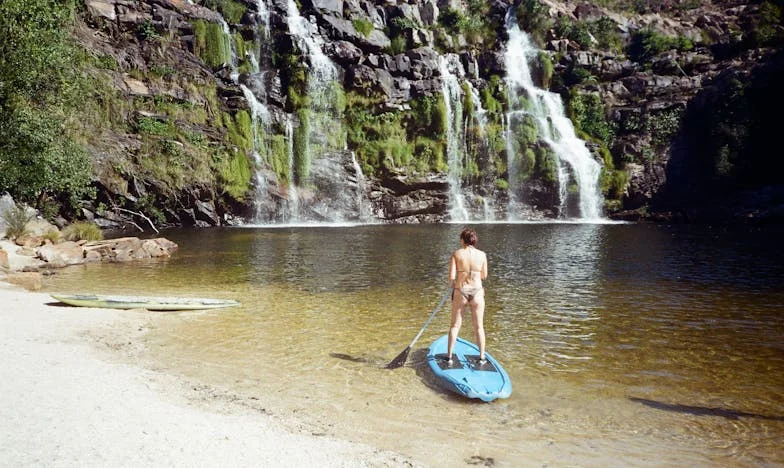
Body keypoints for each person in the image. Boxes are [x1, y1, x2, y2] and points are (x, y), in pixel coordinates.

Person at [446, 228, 488, 364]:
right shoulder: (482, 255)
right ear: (474, 241)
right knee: (479, 327)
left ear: (463, 240)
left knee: (454, 325)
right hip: (477, 291)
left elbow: (451, 277)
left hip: (461, 290)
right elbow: (484, 276)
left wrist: (453, 285)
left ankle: (449, 356)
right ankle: (482, 357)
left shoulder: (457, 254)